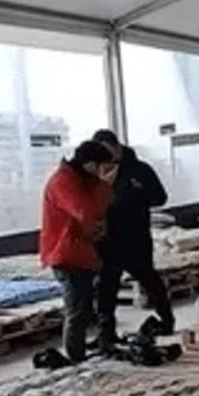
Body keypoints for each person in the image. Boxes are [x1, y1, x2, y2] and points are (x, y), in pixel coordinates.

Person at [90, 130, 174, 343]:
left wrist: (136, 194)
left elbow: (160, 198)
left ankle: (166, 320)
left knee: (149, 279)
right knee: (105, 288)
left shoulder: (140, 170)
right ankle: (106, 333)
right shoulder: (96, 171)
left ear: (117, 147)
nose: (105, 157)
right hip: (107, 240)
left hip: (135, 236)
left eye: (108, 151)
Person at [40, 141, 117, 363]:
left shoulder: (80, 180)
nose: (109, 172)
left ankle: (78, 353)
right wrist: (104, 186)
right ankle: (75, 358)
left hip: (80, 251)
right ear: (92, 165)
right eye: (105, 167)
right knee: (77, 310)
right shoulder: (64, 182)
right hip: (67, 253)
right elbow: (89, 212)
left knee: (82, 308)